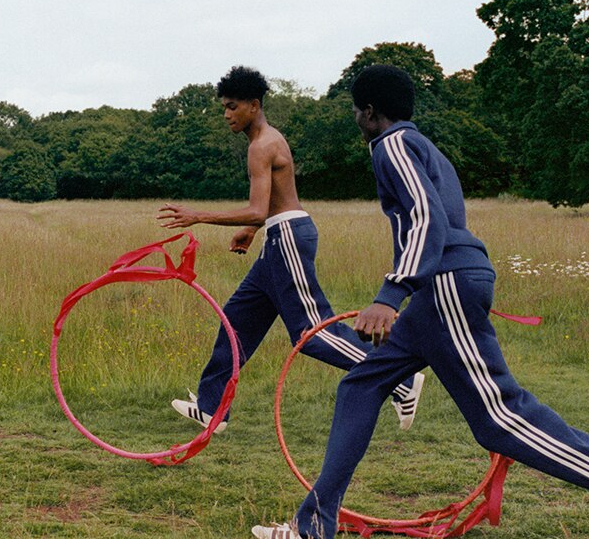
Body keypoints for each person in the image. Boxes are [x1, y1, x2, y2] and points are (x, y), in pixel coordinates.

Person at [253, 65, 589, 539]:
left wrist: (390, 293)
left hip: (441, 286)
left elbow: (426, 219)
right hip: (438, 289)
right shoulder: (421, 145)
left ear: (370, 112)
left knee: (502, 419)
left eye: (357, 110)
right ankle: (310, 532)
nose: (356, 119)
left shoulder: (391, 145)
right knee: (360, 383)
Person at [157, 65, 425, 434]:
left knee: (312, 334)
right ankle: (211, 408)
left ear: (254, 105)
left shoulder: (261, 145)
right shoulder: (268, 141)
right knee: (236, 322)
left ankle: (399, 378)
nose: (226, 115)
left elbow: (257, 207)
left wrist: (198, 216)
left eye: (232, 107)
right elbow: (268, 205)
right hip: (277, 238)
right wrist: (253, 230)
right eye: (224, 108)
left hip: (288, 240)